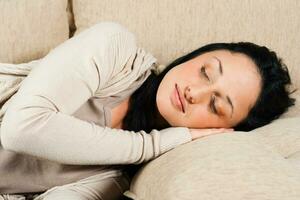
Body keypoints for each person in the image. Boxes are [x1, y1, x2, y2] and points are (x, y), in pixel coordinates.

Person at [0, 21, 295, 200]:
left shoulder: (114, 178)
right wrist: (151, 145)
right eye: (206, 71)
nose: (194, 92)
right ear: (197, 54)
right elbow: (21, 128)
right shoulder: (115, 49)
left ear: (221, 131)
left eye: (216, 104)